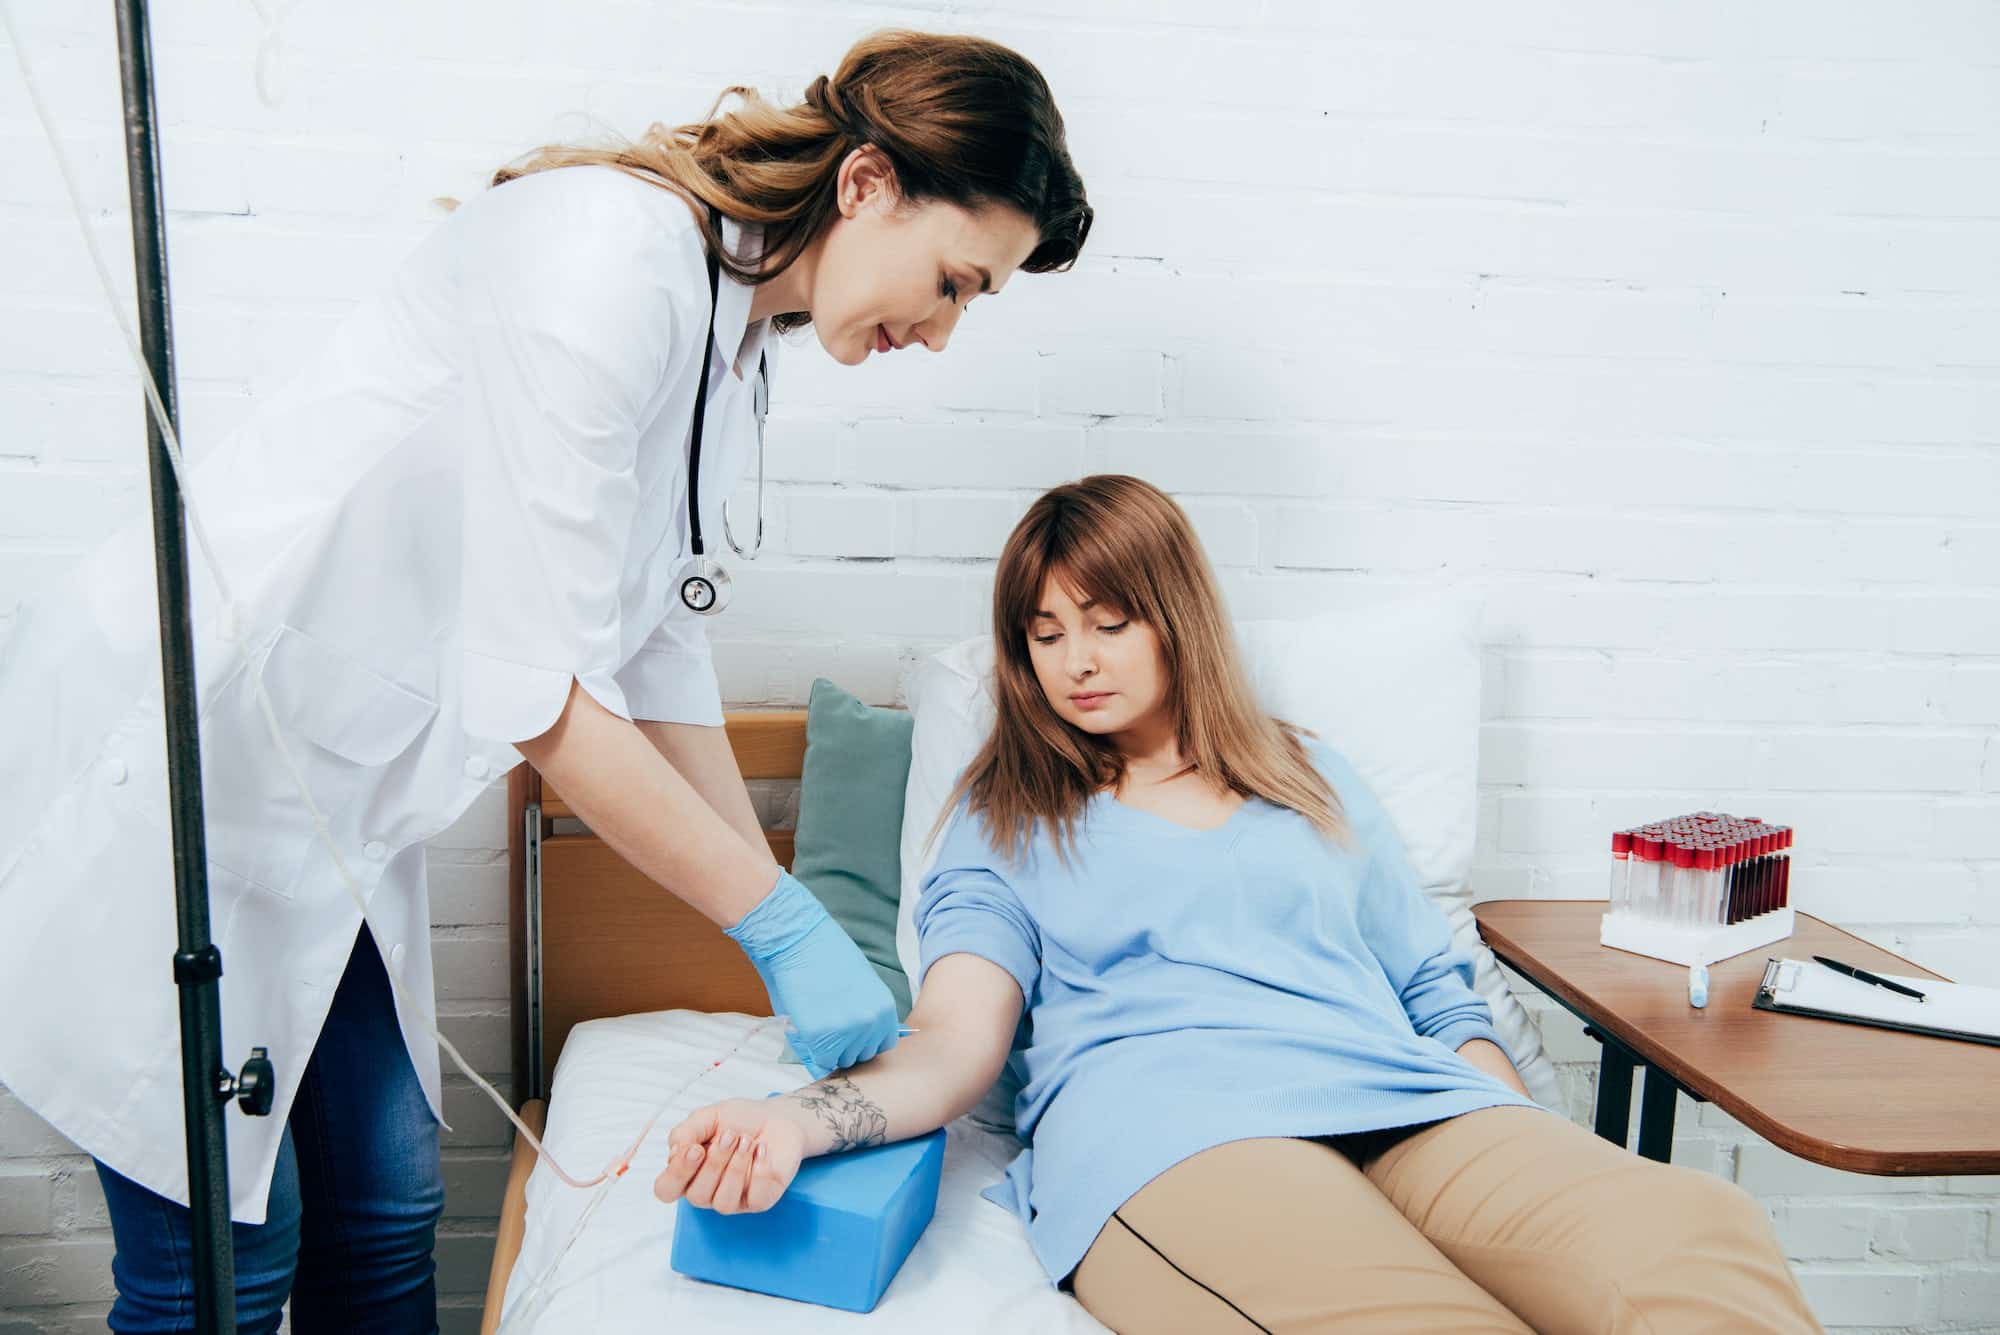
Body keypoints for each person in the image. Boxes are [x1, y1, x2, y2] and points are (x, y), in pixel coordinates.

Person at [0, 29, 1089, 1334]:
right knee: (227, 1268)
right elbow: (543, 702)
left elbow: (655, 652)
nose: (946, 328)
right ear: (866, 185)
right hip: (193, 764)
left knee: (393, 1208)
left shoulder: (728, 345)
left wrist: (783, 902)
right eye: (958, 280)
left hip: (333, 804)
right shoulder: (605, 260)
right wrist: (779, 929)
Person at [655, 475, 1822, 1334]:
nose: (1076, 660)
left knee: (1697, 1242)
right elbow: (955, 1042)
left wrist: (1510, 1127)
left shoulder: (1303, 773)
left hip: (1401, 1099)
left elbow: (1430, 988)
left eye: (1109, 621)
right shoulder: (1006, 814)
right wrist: (801, 1122)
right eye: (1044, 632)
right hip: (1171, 1134)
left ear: (1176, 616)